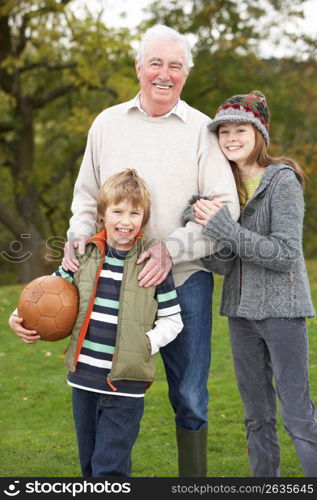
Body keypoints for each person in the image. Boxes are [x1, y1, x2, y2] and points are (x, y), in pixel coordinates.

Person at [62, 24, 240, 476]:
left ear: (186, 74)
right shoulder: (107, 123)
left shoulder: (203, 130)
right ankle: (103, 479)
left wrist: (171, 249)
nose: (165, 73)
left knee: (190, 396)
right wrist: (78, 236)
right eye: (156, 63)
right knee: (100, 383)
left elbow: (225, 208)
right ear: (139, 67)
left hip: (183, 280)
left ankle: (192, 485)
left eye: (175, 66)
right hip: (108, 282)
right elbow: (86, 196)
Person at [9, 169, 184, 477]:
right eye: (117, 211)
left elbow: (172, 320)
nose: (126, 220)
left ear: (144, 218)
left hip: (125, 386)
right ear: (102, 214)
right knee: (89, 467)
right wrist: (19, 316)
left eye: (135, 212)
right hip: (84, 382)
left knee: (110, 470)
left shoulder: (153, 263)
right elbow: (47, 294)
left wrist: (145, 344)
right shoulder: (84, 254)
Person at [183, 90, 317, 476]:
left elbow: (284, 254)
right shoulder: (224, 186)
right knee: (256, 418)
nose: (230, 138)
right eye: (223, 131)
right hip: (240, 316)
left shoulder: (282, 181)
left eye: (240, 129)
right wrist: (197, 227)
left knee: (297, 415)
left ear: (260, 133)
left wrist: (224, 227)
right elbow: (224, 266)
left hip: (283, 312)